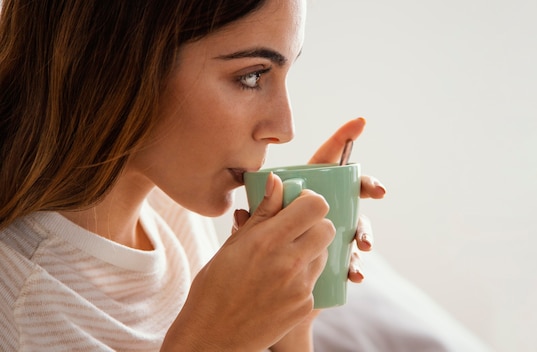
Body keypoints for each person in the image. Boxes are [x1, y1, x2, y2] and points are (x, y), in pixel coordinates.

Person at [0, 0, 387, 350]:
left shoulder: (173, 213)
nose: (284, 128)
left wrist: (290, 322)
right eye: (252, 76)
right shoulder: (21, 305)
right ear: (116, 60)